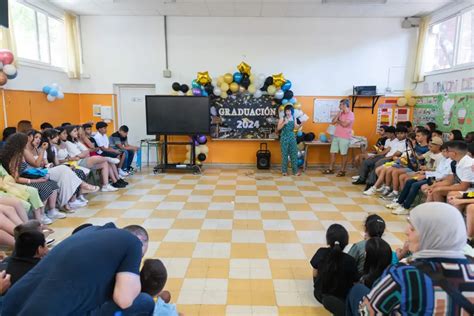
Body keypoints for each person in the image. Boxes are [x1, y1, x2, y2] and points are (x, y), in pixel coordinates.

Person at [2, 223, 155, 315]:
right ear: (140, 243)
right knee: (145, 302)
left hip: (10, 306)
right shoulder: (133, 243)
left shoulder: (89, 231)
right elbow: (124, 300)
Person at [360, 202, 474, 315]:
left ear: (430, 235)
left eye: (413, 228)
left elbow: (368, 312)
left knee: (356, 292)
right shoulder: (471, 266)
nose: (406, 231)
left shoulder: (402, 274)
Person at [23, 129, 86, 214]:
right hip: (33, 175)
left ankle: (62, 205)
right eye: (36, 137)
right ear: (29, 138)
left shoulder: (37, 149)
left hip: (42, 172)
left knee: (64, 176)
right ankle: (81, 187)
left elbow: (42, 163)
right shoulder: (26, 150)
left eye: (39, 138)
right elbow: (36, 164)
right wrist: (42, 151)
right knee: (64, 169)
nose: (38, 140)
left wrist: (45, 163)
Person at [0, 133, 56, 225]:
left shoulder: (19, 153)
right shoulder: (15, 156)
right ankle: (39, 217)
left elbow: (36, 164)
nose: (28, 143)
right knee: (45, 187)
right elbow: (16, 178)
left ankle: (41, 218)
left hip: (22, 178)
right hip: (17, 181)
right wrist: (36, 180)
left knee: (52, 184)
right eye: (26, 142)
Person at [387, 142, 452, 215]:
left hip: (437, 180)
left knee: (415, 185)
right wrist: (425, 173)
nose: (443, 153)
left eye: (444, 152)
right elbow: (438, 172)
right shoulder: (444, 159)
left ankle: (406, 207)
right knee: (410, 181)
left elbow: (443, 176)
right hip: (431, 176)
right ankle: (399, 202)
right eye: (442, 151)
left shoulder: (451, 162)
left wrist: (426, 175)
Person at [310, 224, 358, 315]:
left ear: (328, 241)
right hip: (341, 297)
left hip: (319, 294)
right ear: (346, 243)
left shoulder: (321, 252)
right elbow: (354, 281)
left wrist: (317, 284)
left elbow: (315, 273)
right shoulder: (350, 260)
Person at [64, 125, 125, 191]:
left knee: (104, 163)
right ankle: (108, 159)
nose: (77, 133)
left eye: (77, 131)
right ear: (69, 133)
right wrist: (84, 152)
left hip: (85, 159)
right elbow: (81, 155)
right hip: (77, 163)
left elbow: (86, 150)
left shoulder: (76, 141)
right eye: (75, 131)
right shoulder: (68, 143)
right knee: (97, 158)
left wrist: (84, 152)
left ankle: (106, 186)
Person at [324, 99, 355, 177]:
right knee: (332, 153)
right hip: (336, 136)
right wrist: (338, 113)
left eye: (340, 105)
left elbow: (345, 124)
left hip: (345, 137)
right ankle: (331, 169)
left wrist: (338, 121)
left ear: (344, 105)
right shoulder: (340, 113)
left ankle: (342, 170)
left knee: (343, 154)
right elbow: (333, 121)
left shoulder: (350, 114)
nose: (339, 106)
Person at [277, 104, 301, 176]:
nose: (288, 112)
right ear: (285, 111)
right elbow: (278, 128)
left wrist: (301, 124)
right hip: (284, 137)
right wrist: (284, 122)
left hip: (292, 137)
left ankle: (295, 171)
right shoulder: (282, 118)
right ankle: (284, 171)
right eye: (286, 111)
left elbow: (296, 128)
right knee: (284, 154)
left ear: (292, 111)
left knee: (293, 154)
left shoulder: (294, 118)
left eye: (289, 111)